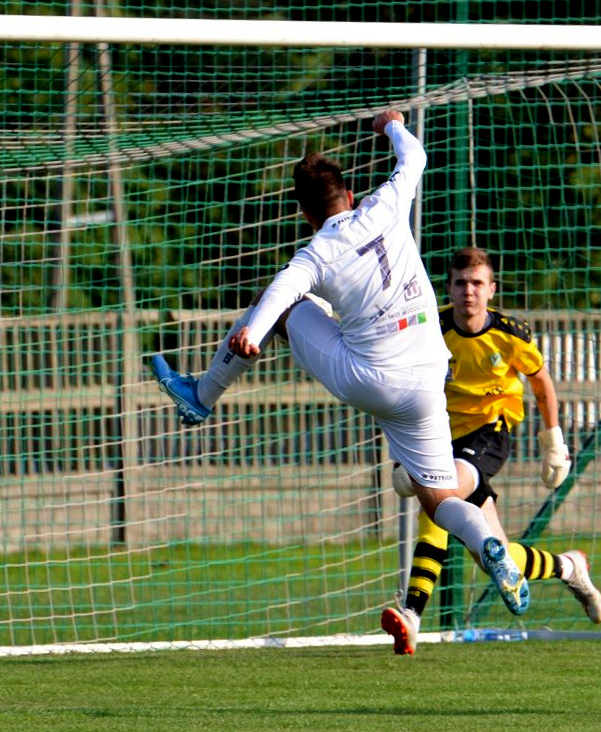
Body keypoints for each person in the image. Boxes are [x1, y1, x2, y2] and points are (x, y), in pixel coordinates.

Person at [149, 110, 530, 617]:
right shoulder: (386, 204)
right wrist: (391, 124)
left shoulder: (316, 252)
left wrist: (252, 335)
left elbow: (279, 292)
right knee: (439, 500)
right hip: (429, 377)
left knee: (282, 305)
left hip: (372, 378)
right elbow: (415, 155)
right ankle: (488, 543)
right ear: (349, 195)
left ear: (306, 215)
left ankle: (201, 395)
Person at [380, 247, 601, 655]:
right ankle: (569, 566)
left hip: (490, 431)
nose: (469, 291)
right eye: (461, 283)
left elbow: (541, 383)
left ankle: (412, 616)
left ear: (491, 289)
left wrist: (553, 442)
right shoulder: (430, 327)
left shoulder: (510, 333)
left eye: (477, 283)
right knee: (493, 557)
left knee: (438, 494)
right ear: (449, 288)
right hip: (440, 435)